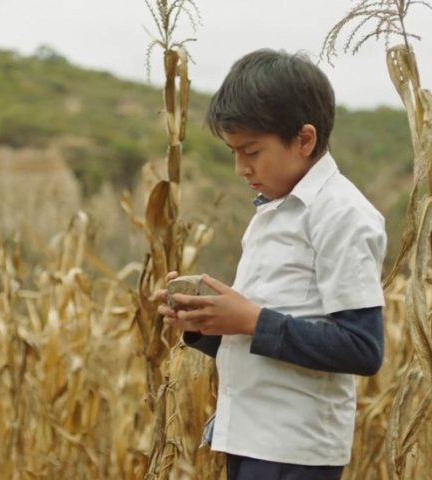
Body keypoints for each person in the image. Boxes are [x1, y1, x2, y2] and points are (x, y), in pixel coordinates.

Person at [156, 49, 387, 480]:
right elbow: (267, 328)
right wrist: (203, 320)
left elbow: (362, 347)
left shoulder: (342, 214)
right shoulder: (274, 211)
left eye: (251, 151)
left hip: (294, 449)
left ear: (304, 139)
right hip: (249, 436)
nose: (241, 168)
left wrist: (250, 320)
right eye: (233, 152)